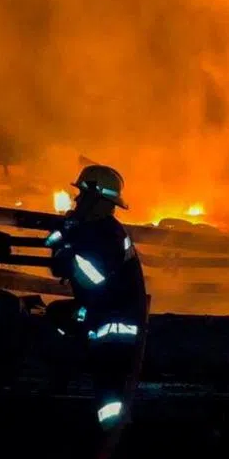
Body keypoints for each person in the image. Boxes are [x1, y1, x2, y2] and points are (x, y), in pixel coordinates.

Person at [46, 164, 148, 428]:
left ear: (96, 199)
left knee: (109, 388)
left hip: (115, 324)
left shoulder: (107, 235)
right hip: (101, 310)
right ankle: (66, 391)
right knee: (56, 315)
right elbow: (55, 253)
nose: (77, 199)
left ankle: (112, 433)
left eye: (83, 194)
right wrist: (65, 231)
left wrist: (69, 255)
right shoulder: (91, 228)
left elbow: (95, 281)